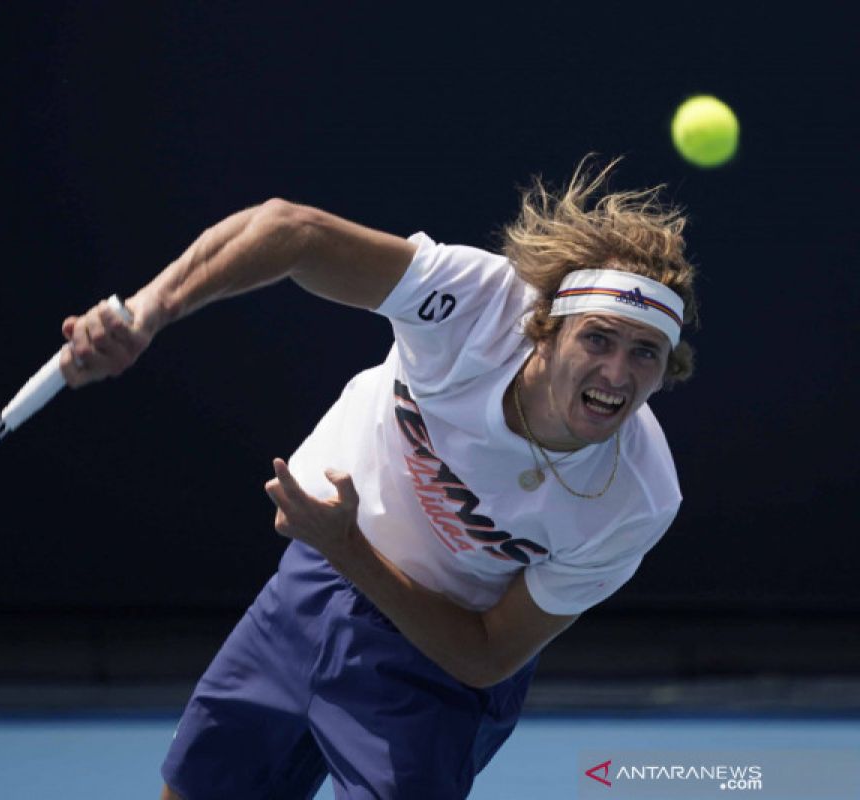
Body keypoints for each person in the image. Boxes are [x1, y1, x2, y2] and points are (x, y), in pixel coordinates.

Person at [59, 157, 698, 799]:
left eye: (645, 353)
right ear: (546, 331)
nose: (617, 373)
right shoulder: (476, 305)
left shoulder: (635, 499)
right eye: (599, 340)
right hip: (310, 591)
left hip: (435, 665)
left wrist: (347, 546)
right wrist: (146, 312)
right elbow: (291, 230)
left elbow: (483, 656)